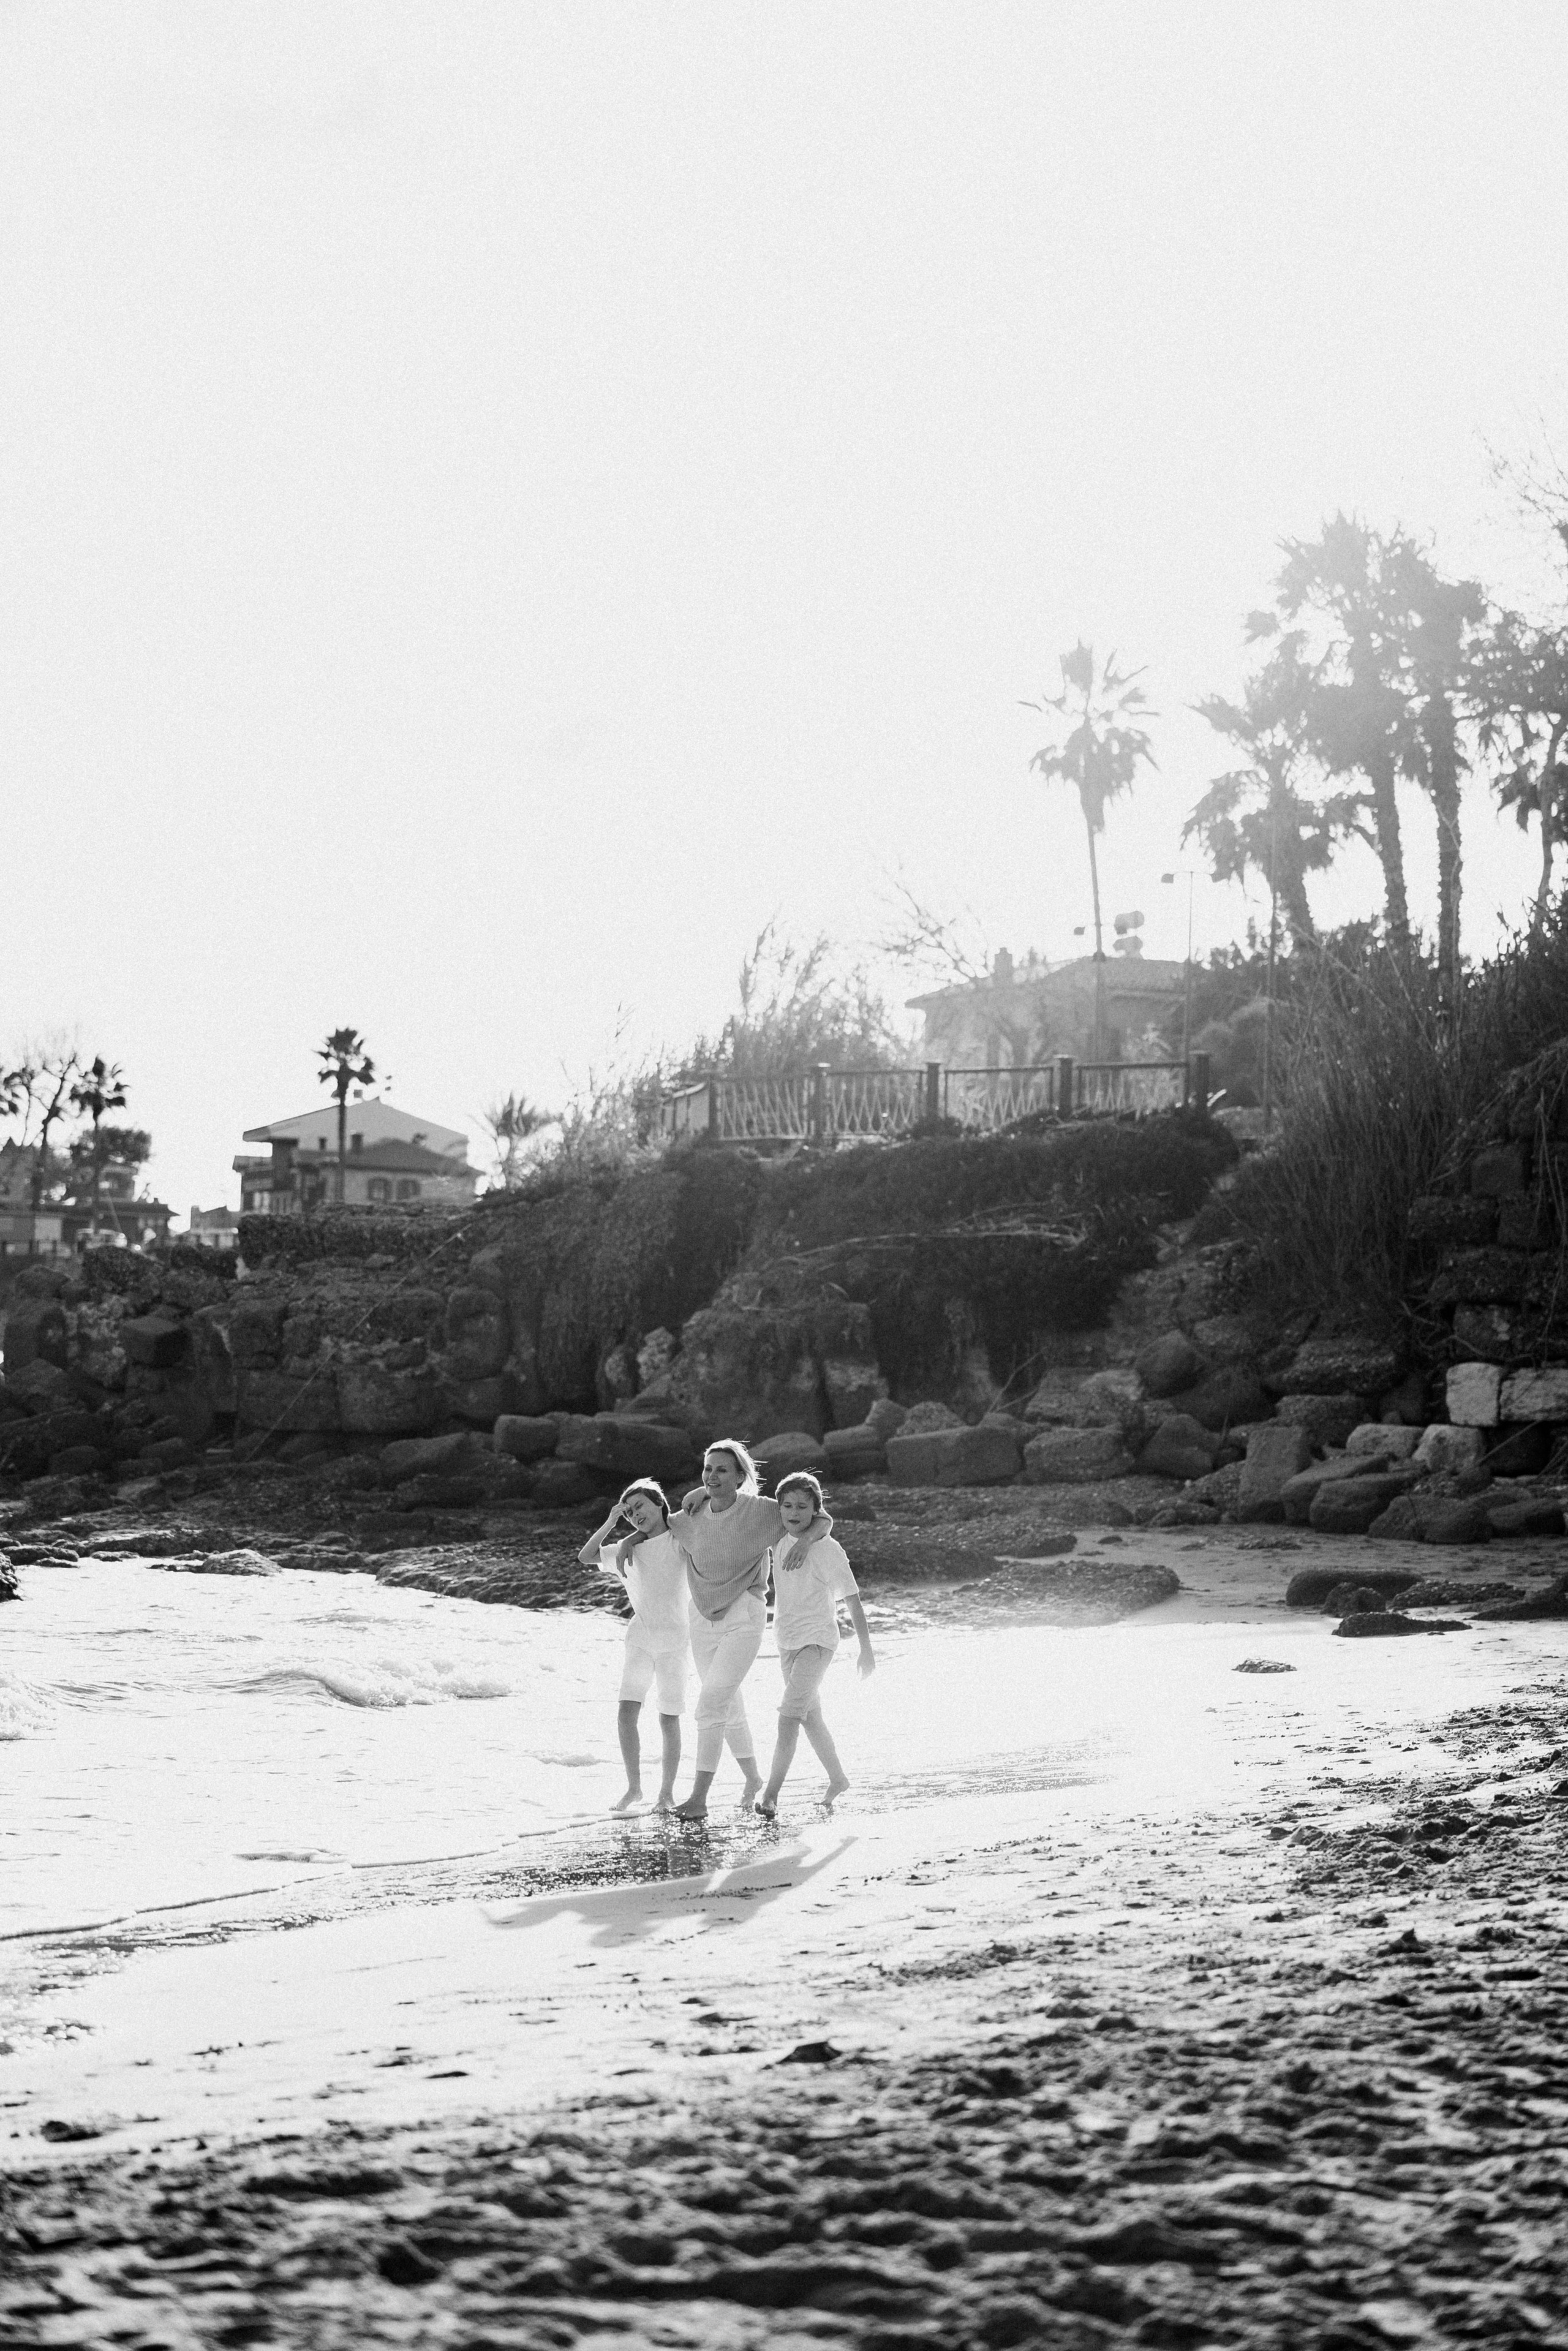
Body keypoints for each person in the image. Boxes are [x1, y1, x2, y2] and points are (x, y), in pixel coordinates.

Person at [622, 1439, 831, 1822]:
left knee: (710, 1705)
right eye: (708, 1470)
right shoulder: (688, 1517)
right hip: (701, 1620)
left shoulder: (763, 1513)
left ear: (740, 1476)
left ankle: (698, 1799)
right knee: (727, 1705)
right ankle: (753, 1779)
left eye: (722, 1470)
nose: (712, 1476)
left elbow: (821, 1518)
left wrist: (804, 1541)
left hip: (744, 1615)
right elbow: (660, 1527)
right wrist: (631, 1538)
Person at [754, 1470, 873, 1818]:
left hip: (818, 1642)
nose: (794, 1512)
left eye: (802, 1506)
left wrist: (866, 1650)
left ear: (815, 1510)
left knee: (788, 1717)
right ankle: (838, 1779)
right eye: (787, 1505)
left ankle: (771, 1795)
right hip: (785, 1640)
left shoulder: (829, 1549)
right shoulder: (779, 1537)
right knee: (811, 1717)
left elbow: (853, 1601)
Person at [578, 1480, 690, 1814]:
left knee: (669, 1719)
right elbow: (586, 1557)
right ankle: (634, 1788)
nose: (635, 1515)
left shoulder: (679, 1539)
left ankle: (666, 1793)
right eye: (629, 1513)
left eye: (640, 1506)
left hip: (676, 1640)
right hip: (640, 1637)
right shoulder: (626, 1550)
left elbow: (695, 1511)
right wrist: (614, 1525)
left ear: (659, 1504)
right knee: (627, 1713)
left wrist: (632, 1535)